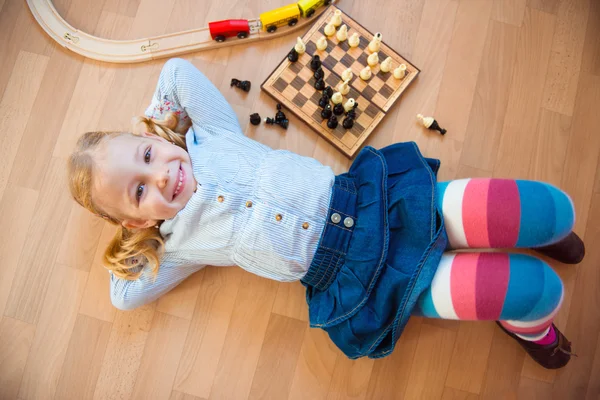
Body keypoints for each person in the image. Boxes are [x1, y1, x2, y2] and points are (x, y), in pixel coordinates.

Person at [68, 58, 584, 368]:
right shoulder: (179, 244)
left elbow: (176, 74)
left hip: (376, 201)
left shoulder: (211, 136)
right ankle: (528, 326)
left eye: (147, 155)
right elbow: (123, 296)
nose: (159, 176)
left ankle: (545, 234)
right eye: (138, 192)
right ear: (137, 221)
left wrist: (161, 129)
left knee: (553, 210)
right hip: (359, 279)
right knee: (536, 293)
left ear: (151, 139)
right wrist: (139, 239)